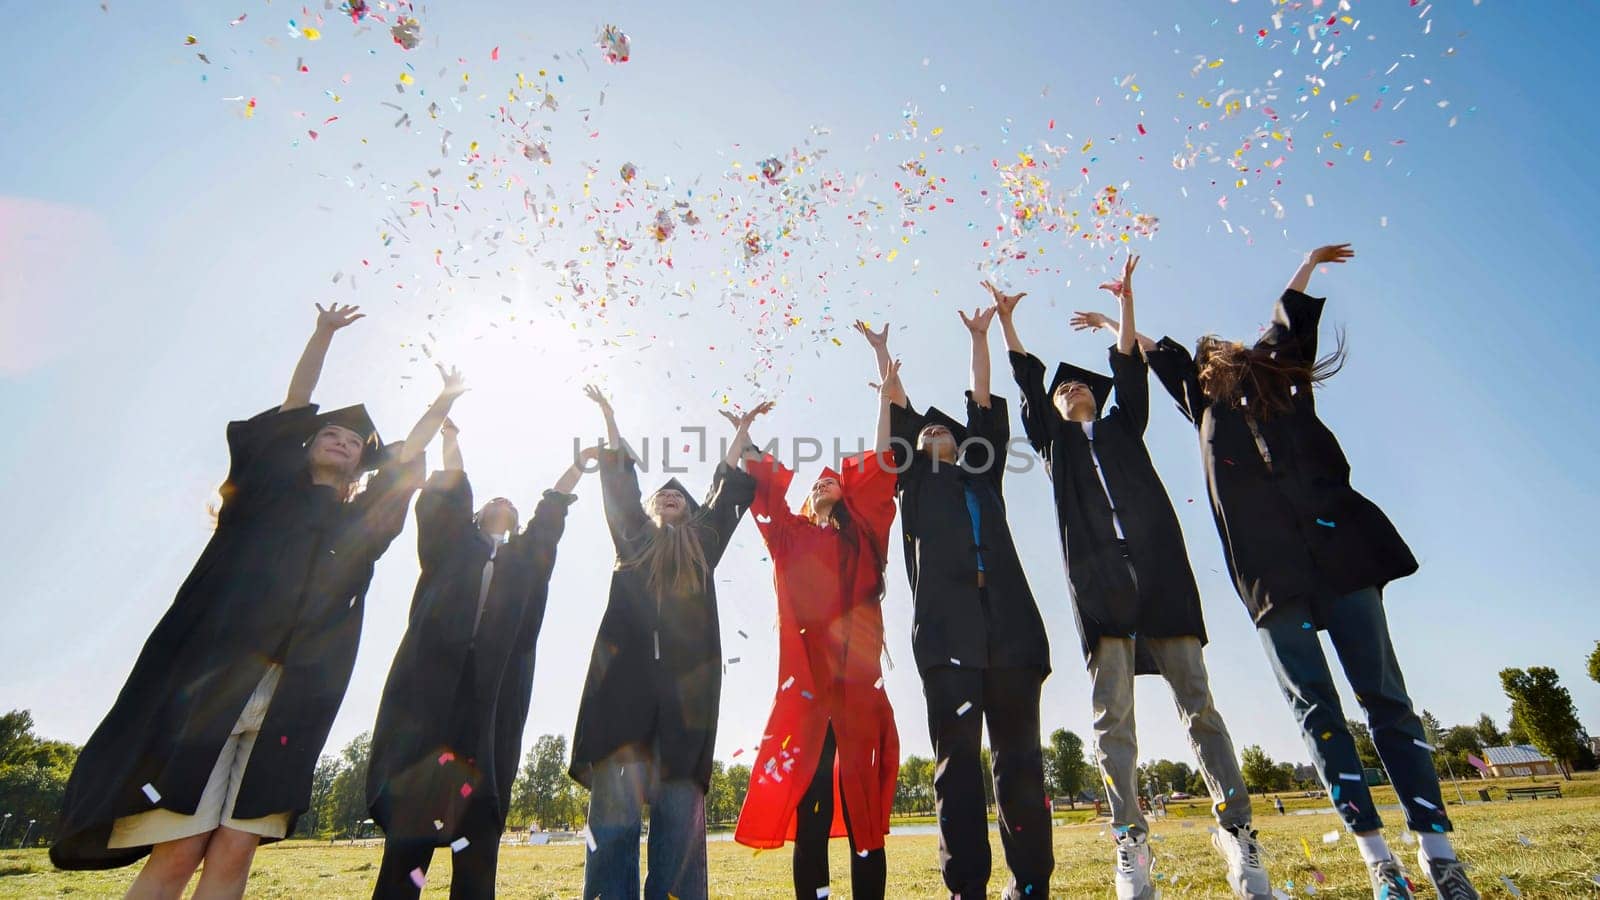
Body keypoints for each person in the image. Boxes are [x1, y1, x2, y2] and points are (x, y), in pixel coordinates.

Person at [51, 304, 461, 900]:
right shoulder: (259, 500)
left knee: (237, 847)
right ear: (305, 446)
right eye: (331, 432)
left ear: (359, 465)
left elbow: (403, 463)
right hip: (213, 688)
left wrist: (443, 401)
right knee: (179, 847)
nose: (341, 439)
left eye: (352, 440)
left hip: (290, 700)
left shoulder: (359, 529)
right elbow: (296, 403)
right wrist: (321, 335)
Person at [1142, 244, 1478, 900]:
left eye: (1225, 351)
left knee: (1385, 699)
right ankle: (1381, 862)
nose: (1216, 361)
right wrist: (1112, 322)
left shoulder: (1277, 377)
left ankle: (1440, 857)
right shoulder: (1201, 406)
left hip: (1339, 551)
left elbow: (1287, 317)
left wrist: (1308, 261)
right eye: (1206, 361)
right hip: (1270, 578)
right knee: (1316, 710)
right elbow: (1163, 356)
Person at [999, 259, 1268, 900]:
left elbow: (1126, 361)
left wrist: (1126, 305)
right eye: (1063, 393)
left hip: (1161, 576)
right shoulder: (1053, 448)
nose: (1071, 392)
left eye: (1079, 388)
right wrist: (1009, 323)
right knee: (1111, 718)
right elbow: (1029, 387)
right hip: (1099, 588)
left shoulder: (1125, 425)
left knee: (1199, 704)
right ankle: (1131, 840)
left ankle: (1239, 834)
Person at [859, 313, 1054, 900]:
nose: (934, 434)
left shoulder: (982, 472)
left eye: (943, 431)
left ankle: (1031, 885)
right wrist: (883, 362)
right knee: (958, 769)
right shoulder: (912, 482)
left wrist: (978, 338)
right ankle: (966, 887)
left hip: (1012, 631)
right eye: (924, 434)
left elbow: (983, 398)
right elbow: (889, 427)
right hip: (947, 639)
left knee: (1020, 767)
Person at [367, 415, 599, 899]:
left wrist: (576, 467)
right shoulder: (454, 547)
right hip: (433, 692)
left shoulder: (523, 559)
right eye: (496, 499)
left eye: (510, 504)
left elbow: (550, 515)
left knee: (479, 822)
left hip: (493, 695)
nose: (504, 504)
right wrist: (451, 440)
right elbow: (450, 495)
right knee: (413, 822)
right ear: (476, 514)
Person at [569, 387, 763, 900]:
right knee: (613, 829)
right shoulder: (632, 542)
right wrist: (611, 418)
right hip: (621, 707)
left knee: (679, 829)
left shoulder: (702, 548)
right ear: (650, 509)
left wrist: (741, 433)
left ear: (691, 511)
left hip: (684, 711)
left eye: (679, 495)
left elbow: (725, 497)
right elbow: (620, 485)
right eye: (662, 495)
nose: (669, 495)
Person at [732, 369, 900, 900]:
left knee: (862, 800)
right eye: (815, 482)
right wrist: (744, 435)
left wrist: (884, 392)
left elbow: (877, 473)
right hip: (808, 679)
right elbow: (760, 489)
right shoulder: (790, 535)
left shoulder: (862, 538)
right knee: (812, 794)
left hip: (856, 677)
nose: (823, 481)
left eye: (831, 479)